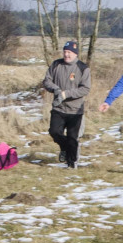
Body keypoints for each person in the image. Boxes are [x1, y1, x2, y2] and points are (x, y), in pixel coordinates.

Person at [42, 40, 91, 168]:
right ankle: (64, 148)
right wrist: (56, 90)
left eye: (69, 52)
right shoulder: (56, 64)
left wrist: (66, 94)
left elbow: (85, 89)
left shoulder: (83, 68)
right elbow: (47, 80)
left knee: (72, 139)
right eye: (65, 52)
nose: (66, 55)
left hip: (75, 110)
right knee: (54, 132)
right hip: (58, 108)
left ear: (75, 54)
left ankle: (71, 163)